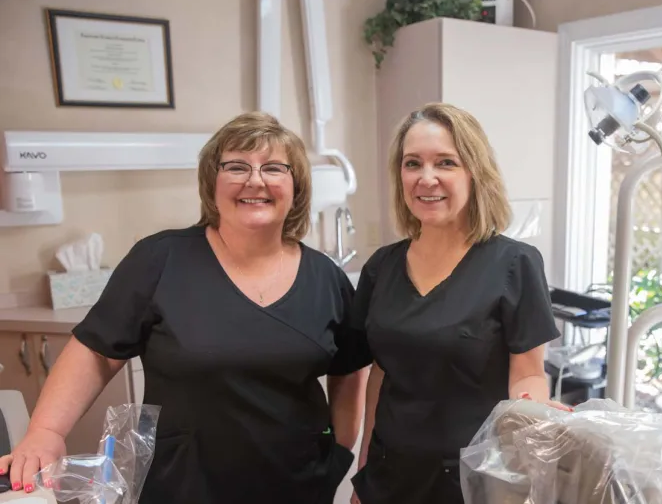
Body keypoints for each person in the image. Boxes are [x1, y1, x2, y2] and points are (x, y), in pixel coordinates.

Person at [0, 112, 369, 504]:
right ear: (212, 183)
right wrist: (46, 430)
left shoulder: (324, 276)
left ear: (296, 186)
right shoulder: (161, 259)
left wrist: (339, 453)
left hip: (297, 484)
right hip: (183, 486)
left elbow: (349, 371)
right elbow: (95, 351)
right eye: (237, 166)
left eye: (274, 168)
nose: (255, 180)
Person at [349, 103, 568, 504]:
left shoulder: (514, 264)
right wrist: (363, 468)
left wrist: (533, 410)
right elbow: (379, 372)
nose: (426, 178)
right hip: (390, 475)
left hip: (472, 479)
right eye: (412, 163)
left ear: (474, 173)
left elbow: (528, 374)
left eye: (445, 162)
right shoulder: (382, 267)